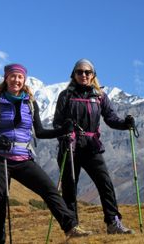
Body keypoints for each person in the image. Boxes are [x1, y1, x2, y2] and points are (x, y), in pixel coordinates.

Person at [0, 63, 92, 243]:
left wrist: (63, 130)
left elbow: (39, 132)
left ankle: (71, 227)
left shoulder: (31, 104)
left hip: (24, 158)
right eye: (13, 76)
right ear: (6, 78)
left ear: (24, 80)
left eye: (20, 77)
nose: (16, 80)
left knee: (49, 189)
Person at [53, 58, 135, 235]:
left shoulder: (100, 96)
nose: (83, 75)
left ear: (93, 75)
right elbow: (57, 123)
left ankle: (113, 223)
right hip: (70, 146)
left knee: (104, 182)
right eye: (79, 72)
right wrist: (64, 132)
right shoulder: (65, 95)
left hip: (91, 146)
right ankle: (73, 227)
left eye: (87, 72)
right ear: (73, 75)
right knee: (69, 188)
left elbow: (111, 118)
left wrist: (125, 124)